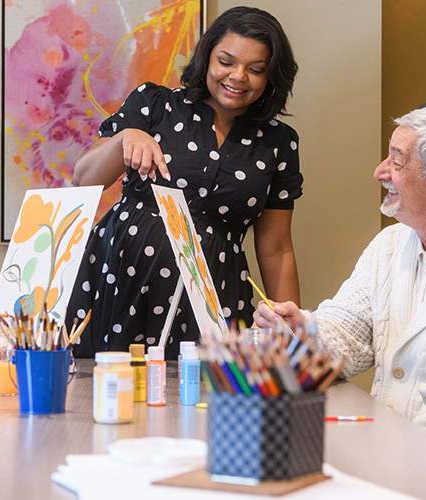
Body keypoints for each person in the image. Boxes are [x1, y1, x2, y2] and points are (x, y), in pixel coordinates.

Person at [254, 105, 426, 487]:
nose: (380, 171)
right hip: (397, 464)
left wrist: (384, 465)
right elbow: (350, 328)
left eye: (397, 161)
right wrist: (302, 330)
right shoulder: (390, 244)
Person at [67, 6, 303, 358]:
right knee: (102, 399)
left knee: (201, 403)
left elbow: (277, 247)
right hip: (120, 279)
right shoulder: (154, 103)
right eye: (226, 61)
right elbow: (84, 179)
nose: (238, 76)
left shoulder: (279, 141)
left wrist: (289, 333)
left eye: (256, 69)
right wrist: (124, 138)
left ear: (271, 77)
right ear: (207, 58)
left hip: (214, 296)